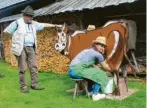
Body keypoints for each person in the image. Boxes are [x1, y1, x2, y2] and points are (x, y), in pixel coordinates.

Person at [3, 6, 62, 93]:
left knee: (33, 67)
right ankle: (23, 87)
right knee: (22, 68)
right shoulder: (17, 23)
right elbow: (7, 32)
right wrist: (14, 43)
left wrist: (55, 25)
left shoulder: (33, 23)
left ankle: (34, 85)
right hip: (21, 48)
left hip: (31, 48)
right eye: (30, 16)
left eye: (32, 16)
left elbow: (44, 25)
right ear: (25, 16)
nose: (31, 18)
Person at [68, 36, 113, 101]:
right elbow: (105, 67)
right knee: (100, 74)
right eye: (101, 45)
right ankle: (95, 94)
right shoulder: (98, 54)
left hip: (71, 71)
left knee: (92, 72)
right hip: (76, 71)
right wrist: (114, 70)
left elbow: (89, 64)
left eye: (104, 46)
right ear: (95, 44)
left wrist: (96, 67)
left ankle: (90, 91)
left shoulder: (88, 50)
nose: (102, 48)